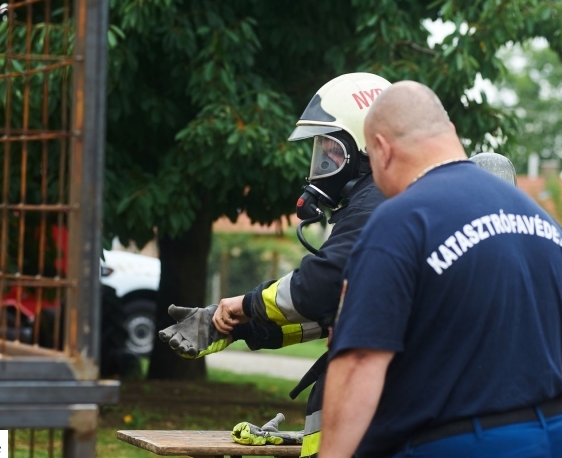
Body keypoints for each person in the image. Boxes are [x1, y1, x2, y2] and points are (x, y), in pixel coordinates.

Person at [320, 80, 562, 458]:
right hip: (559, 436)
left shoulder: (400, 221)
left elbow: (360, 362)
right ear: (452, 133)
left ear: (380, 149)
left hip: (459, 443)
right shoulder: (543, 223)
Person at [159, 72, 391, 458]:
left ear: (364, 149)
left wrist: (245, 305)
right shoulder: (386, 202)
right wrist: (248, 330)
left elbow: (321, 288)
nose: (323, 165)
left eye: (332, 151)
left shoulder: (374, 204)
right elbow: (345, 311)